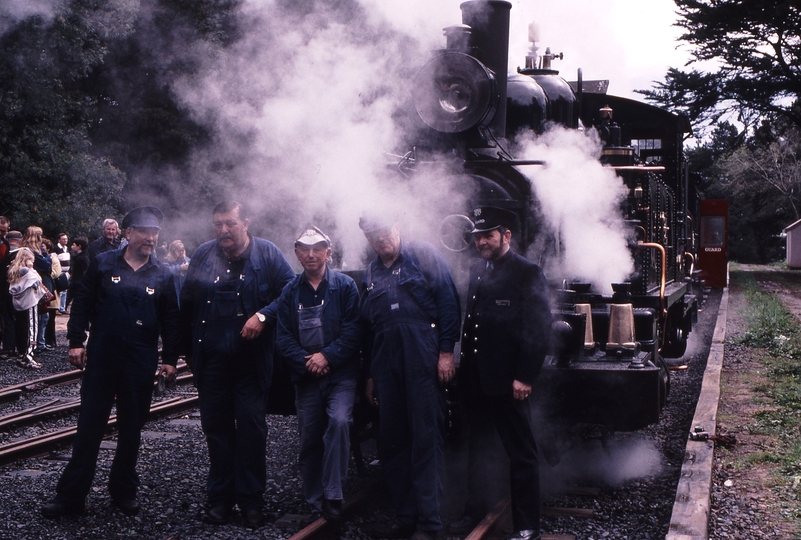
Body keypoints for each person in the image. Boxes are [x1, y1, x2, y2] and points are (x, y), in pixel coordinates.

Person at [41, 206, 181, 518]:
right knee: (89, 427)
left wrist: (170, 358)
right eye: (144, 231)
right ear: (128, 234)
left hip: (140, 360)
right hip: (103, 355)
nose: (151, 237)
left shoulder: (162, 274)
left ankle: (123, 491)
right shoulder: (103, 264)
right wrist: (76, 341)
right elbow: (81, 304)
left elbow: (171, 319)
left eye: (155, 232)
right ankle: (71, 497)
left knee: (131, 429)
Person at [180, 201, 294, 528]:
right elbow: (185, 306)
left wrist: (264, 315)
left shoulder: (268, 254)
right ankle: (219, 501)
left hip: (251, 364)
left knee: (250, 432)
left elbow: (291, 292)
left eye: (230, 223)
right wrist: (187, 354)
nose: (224, 231)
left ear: (246, 222)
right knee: (216, 433)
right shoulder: (203, 255)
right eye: (218, 224)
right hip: (212, 363)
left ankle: (251, 502)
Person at [450, 207, 551, 540]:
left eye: (488, 236)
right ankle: (475, 510)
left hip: (509, 381)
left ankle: (527, 525)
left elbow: (538, 328)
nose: (481, 242)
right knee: (476, 447)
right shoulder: (478, 269)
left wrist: (525, 376)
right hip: (477, 379)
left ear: (506, 236)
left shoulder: (527, 272)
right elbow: (473, 325)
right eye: (478, 236)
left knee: (521, 452)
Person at [359, 215, 460, 540]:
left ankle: (430, 524)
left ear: (398, 227)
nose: (380, 238)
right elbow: (371, 328)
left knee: (425, 439)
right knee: (393, 441)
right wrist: (372, 374)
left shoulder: (424, 254)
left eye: (384, 230)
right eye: (372, 234)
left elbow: (447, 302)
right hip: (386, 362)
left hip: (423, 357)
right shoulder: (372, 271)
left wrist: (446, 353)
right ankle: (405, 517)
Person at [275, 226, 361, 521]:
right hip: (307, 376)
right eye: (304, 249)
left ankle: (334, 495)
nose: (311, 255)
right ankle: (314, 499)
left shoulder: (346, 286)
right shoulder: (290, 291)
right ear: (297, 253)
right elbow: (283, 336)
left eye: (317, 248)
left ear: (328, 251)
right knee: (309, 437)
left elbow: (354, 331)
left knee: (338, 423)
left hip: (341, 376)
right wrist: (306, 361)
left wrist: (328, 356)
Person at [7, 248, 44, 369]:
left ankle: (21, 353)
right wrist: (31, 268)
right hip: (29, 303)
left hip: (18, 304)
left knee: (21, 329)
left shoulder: (13, 270)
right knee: (31, 330)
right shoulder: (27, 272)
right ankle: (28, 356)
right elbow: (37, 280)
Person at [1, 230, 22, 358]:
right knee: (20, 318)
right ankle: (20, 346)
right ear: (20, 240)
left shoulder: (5, 253)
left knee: (8, 318)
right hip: (21, 290)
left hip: (6, 289)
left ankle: (9, 348)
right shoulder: (23, 253)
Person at [65, 237, 89, 313]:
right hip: (78, 283)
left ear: (79, 247)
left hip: (77, 283)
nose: (72, 246)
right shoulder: (81, 257)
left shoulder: (81, 259)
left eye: (74, 245)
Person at [55, 233, 71, 313]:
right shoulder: (56, 248)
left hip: (66, 272)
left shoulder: (67, 248)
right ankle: (57, 308)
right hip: (60, 272)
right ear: (59, 240)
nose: (65, 240)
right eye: (63, 239)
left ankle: (62, 308)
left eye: (66, 239)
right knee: (60, 291)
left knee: (65, 290)